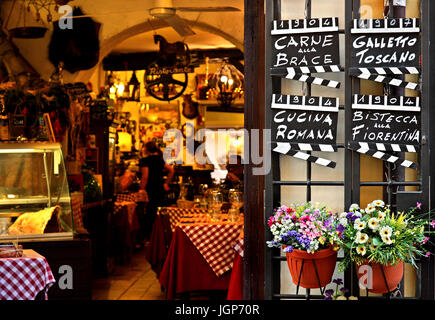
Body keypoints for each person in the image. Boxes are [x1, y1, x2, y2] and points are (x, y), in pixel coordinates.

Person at [139, 141, 174, 241]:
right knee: (158, 212)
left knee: (149, 213)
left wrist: (141, 189)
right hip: (159, 188)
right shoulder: (160, 159)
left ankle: (150, 237)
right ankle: (159, 237)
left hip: (150, 189)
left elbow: (145, 177)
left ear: (146, 149)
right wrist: (166, 183)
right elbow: (171, 170)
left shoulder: (145, 160)